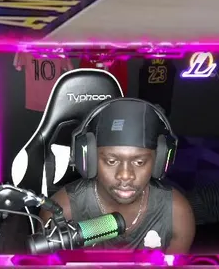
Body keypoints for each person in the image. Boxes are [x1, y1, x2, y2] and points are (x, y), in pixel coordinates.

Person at [40, 98, 196, 252]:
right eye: (111, 161)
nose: (125, 175)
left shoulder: (177, 213)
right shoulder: (61, 211)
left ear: (160, 161)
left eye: (139, 162)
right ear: (88, 159)